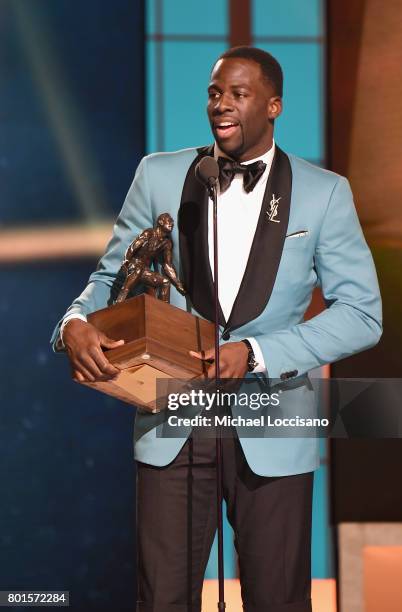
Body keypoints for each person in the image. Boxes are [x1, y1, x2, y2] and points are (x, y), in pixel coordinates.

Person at [51, 47, 382, 611]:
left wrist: (255, 353)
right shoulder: (159, 174)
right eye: (214, 92)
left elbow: (362, 314)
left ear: (274, 105)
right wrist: (75, 321)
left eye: (238, 93)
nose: (221, 104)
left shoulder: (324, 193)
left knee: (277, 600)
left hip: (274, 422)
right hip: (173, 418)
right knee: (163, 600)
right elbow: (114, 273)